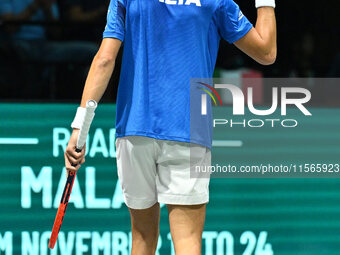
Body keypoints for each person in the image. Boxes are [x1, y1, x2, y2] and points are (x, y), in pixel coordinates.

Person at [65, 0, 277, 254]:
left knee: (142, 238)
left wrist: (81, 127)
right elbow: (266, 53)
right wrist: (266, 3)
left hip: (134, 130)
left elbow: (104, 59)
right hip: (188, 130)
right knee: (187, 240)